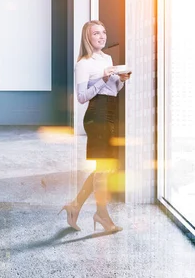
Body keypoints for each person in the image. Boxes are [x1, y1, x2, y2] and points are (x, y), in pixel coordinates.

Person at [60, 20, 130, 233]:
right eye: (96, 34)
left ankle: (75, 206)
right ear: (87, 38)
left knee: (105, 168)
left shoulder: (107, 58)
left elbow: (113, 91)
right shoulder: (83, 63)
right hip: (96, 116)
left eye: (103, 32)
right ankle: (102, 214)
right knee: (103, 169)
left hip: (110, 114)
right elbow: (82, 97)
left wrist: (122, 80)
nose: (101, 36)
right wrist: (103, 78)